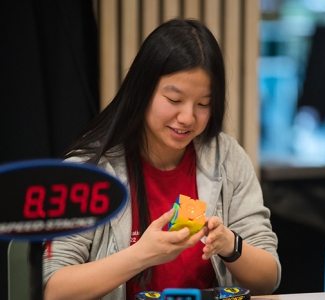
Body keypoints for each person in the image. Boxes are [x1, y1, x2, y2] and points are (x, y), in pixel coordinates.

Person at [43, 18, 281, 300]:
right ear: (142, 91)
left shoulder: (226, 158)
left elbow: (269, 279)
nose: (188, 117)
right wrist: (141, 255)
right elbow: (54, 289)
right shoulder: (88, 170)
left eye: (204, 104)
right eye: (174, 99)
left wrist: (231, 245)